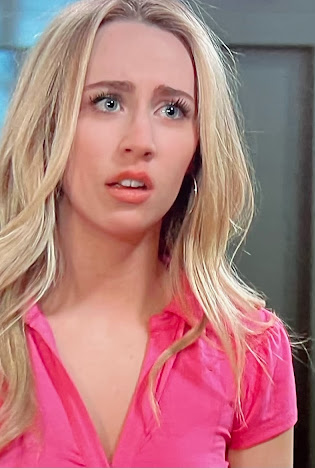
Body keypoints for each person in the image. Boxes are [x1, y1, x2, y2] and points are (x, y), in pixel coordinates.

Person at [0, 0, 299, 466]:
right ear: (48, 125)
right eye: (107, 102)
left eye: (172, 110)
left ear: (199, 148)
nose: (140, 141)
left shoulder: (249, 348)